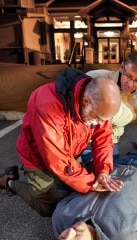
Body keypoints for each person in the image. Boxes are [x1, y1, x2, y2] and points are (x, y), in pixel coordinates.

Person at [0, 68, 123, 217]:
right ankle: (8, 182)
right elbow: (58, 161)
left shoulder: (98, 104)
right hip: (36, 156)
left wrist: (103, 171)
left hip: (68, 152)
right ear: (85, 101)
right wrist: (92, 183)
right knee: (47, 207)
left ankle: (56, 184)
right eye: (97, 119)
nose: (97, 124)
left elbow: (103, 137)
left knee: (75, 189)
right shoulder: (47, 106)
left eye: (103, 120)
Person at [86, 50, 137, 159]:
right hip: (84, 138)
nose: (130, 84)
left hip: (110, 141)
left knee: (119, 169)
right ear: (122, 67)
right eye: (128, 76)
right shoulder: (96, 78)